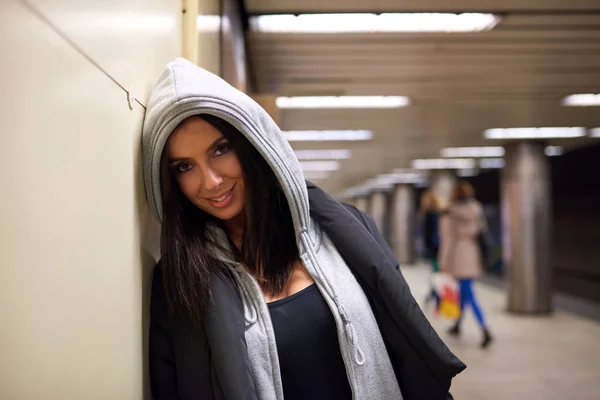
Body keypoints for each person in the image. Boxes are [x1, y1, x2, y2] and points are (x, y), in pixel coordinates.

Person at [142, 58, 465, 400]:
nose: (210, 181)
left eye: (221, 149)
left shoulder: (346, 232)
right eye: (184, 166)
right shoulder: (178, 281)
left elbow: (403, 342)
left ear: (255, 145)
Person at [439, 181, 494, 349]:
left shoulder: (451, 213)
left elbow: (448, 238)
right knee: (464, 292)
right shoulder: (476, 209)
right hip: (472, 251)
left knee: (468, 294)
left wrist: (443, 261)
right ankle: (457, 325)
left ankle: (485, 329)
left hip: (459, 253)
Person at [420, 190, 442, 309]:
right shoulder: (434, 215)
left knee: (435, 274)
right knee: (435, 274)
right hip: (435, 249)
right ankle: (435, 297)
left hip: (433, 249)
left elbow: (428, 235)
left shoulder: (429, 215)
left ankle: (434, 296)